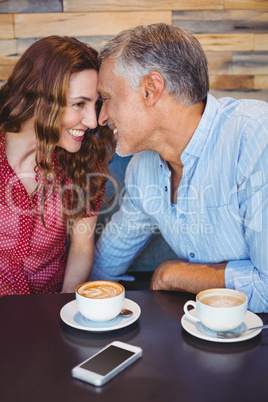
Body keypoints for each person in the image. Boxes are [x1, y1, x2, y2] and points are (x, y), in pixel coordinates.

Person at [90, 23, 268, 313]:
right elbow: (111, 254)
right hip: (202, 331)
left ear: (151, 89)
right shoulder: (142, 169)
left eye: (107, 99)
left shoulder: (254, 137)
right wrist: (76, 310)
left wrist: (174, 274)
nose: (101, 117)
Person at [0, 36, 114, 296]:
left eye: (95, 105)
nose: (93, 121)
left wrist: (64, 309)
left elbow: (81, 248)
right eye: (79, 104)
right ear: (39, 98)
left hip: (50, 308)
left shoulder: (85, 159)